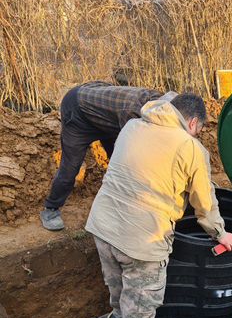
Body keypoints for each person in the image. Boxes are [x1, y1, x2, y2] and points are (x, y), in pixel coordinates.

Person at [85, 93, 232, 318]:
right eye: (200, 130)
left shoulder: (133, 126)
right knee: (144, 296)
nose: (198, 135)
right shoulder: (190, 147)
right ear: (192, 123)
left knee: (117, 283)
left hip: (103, 224)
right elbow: (204, 202)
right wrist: (220, 233)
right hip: (143, 238)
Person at [40, 81, 175, 231]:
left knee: (116, 159)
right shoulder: (133, 112)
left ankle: (118, 198)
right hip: (77, 112)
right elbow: (136, 150)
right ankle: (51, 209)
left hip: (107, 115)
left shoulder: (157, 102)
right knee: (71, 167)